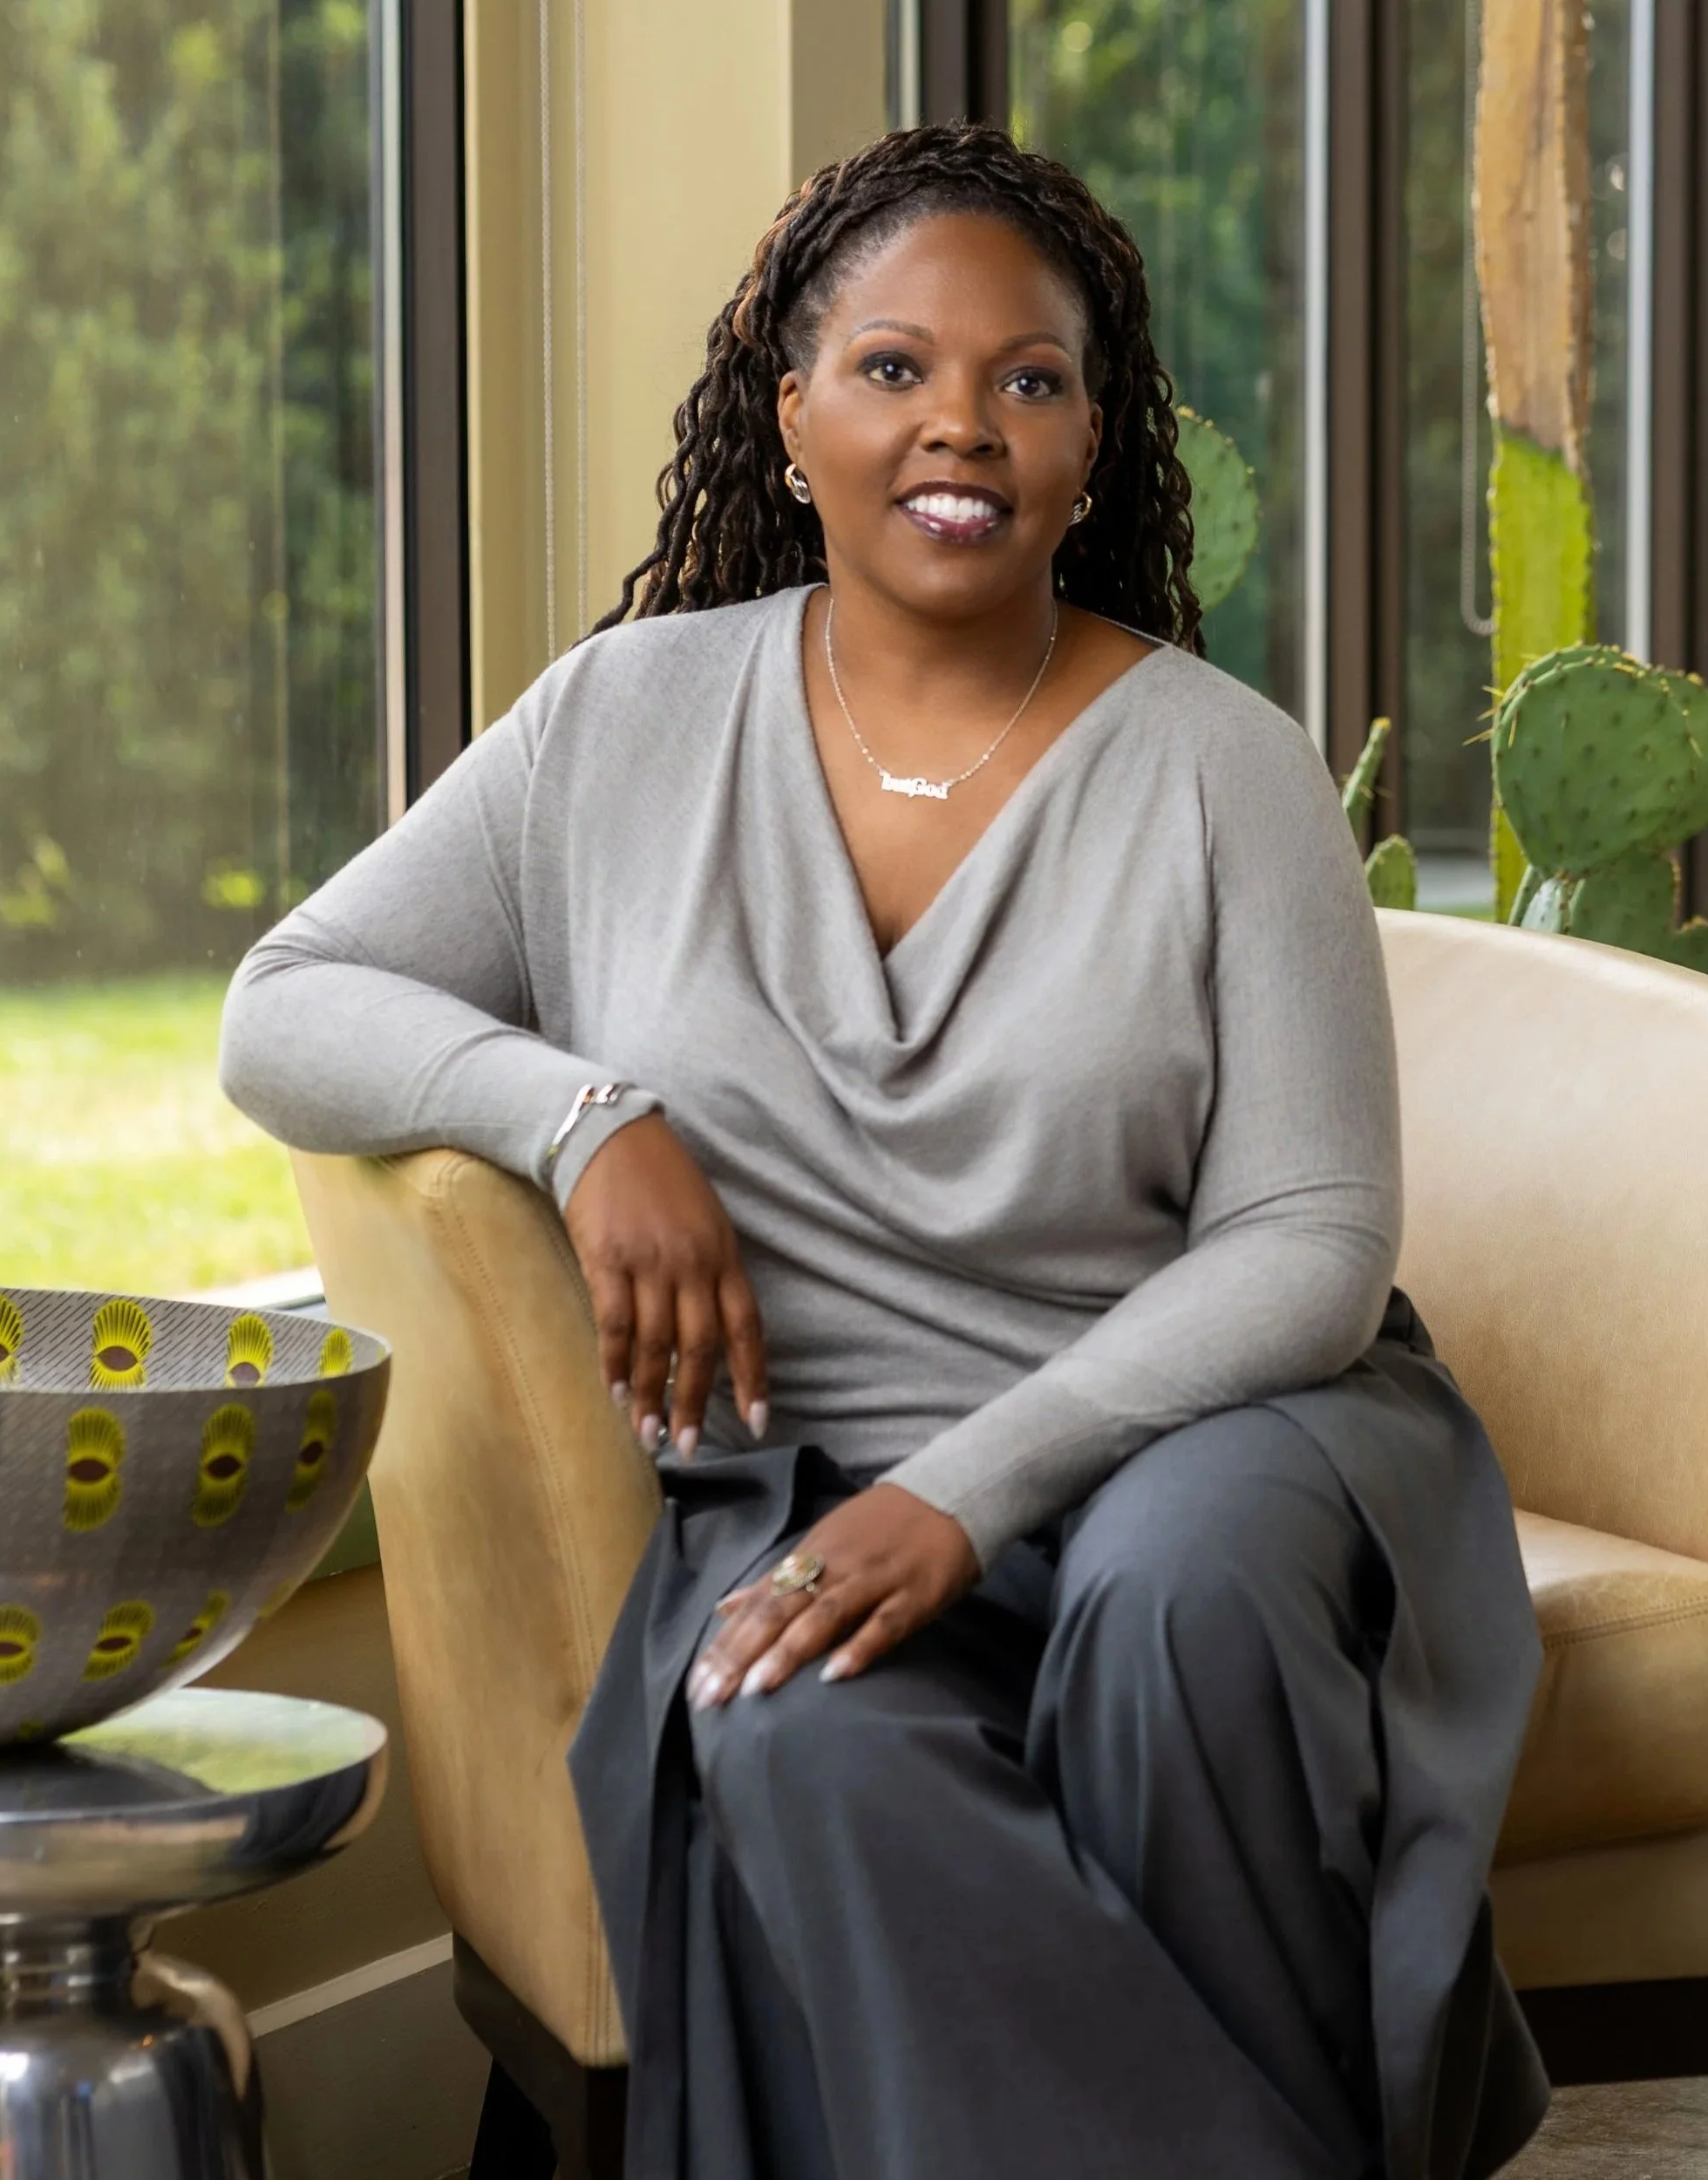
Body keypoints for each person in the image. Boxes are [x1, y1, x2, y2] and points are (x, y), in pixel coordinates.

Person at [221, 121, 1547, 2180]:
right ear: (790, 414)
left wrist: (965, 1489)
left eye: (1028, 378)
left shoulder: (1224, 767)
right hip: (802, 1486)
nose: (962, 424)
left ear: (1090, 442)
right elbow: (285, 1003)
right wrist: (579, 1117)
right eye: (893, 367)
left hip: (1203, 1428)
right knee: (780, 1728)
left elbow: (1306, 1236)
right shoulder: (618, 725)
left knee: (1184, 1604)